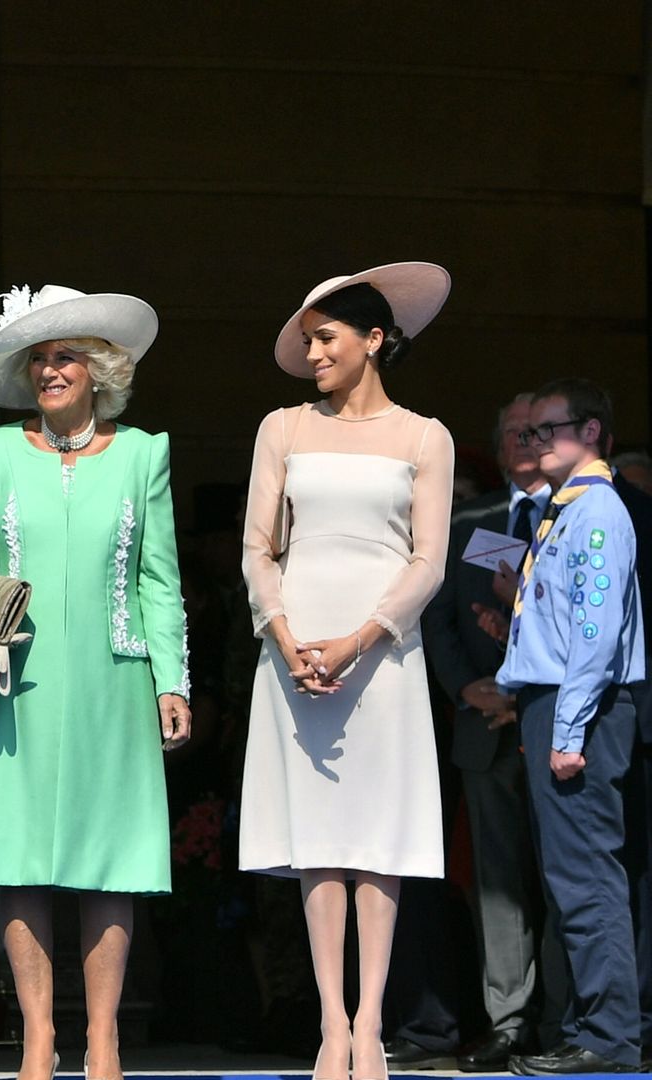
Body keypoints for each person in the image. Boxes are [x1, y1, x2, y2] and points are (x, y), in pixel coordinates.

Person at [0, 283, 192, 1080]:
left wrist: (170, 682)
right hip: (13, 688)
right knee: (17, 860)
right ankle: (37, 1036)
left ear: (99, 368)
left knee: (111, 863)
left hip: (113, 682)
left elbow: (159, 582)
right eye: (36, 359)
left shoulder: (144, 456)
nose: (48, 371)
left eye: (63, 355)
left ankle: (103, 1039)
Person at [240, 263, 456, 1080]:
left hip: (382, 652)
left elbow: (429, 560)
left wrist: (362, 639)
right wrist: (287, 635)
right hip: (295, 647)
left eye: (325, 338)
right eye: (307, 341)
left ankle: (372, 1022)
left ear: (375, 339)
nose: (313, 354)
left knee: (378, 836)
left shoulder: (423, 436)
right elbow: (260, 548)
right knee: (320, 841)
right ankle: (332, 1022)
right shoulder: (283, 427)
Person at [496, 378, 644, 1075]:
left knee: (587, 874)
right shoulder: (566, 510)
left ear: (590, 432)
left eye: (548, 429)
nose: (534, 442)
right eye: (528, 433)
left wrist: (568, 730)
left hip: (578, 702)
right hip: (553, 700)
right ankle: (592, 1024)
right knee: (571, 874)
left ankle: (611, 1034)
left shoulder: (597, 512)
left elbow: (595, 633)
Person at [415, 394, 552, 1071]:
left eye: (538, 432)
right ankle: (508, 1019)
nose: (526, 443)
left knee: (569, 877)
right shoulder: (466, 522)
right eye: (514, 434)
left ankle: (572, 1017)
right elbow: (436, 617)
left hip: (558, 723)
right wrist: (466, 686)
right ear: (498, 446)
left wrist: (522, 693)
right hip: (483, 725)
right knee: (497, 883)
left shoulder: (582, 514)